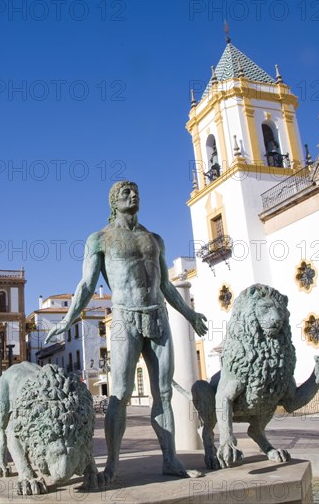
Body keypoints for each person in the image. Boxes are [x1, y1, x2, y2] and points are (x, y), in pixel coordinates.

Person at [46, 181, 208, 483]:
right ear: (113, 202)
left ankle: (170, 459)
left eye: (136, 192)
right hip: (123, 318)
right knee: (120, 393)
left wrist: (190, 314)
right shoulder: (100, 239)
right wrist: (67, 320)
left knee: (163, 393)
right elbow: (86, 286)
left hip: (157, 315)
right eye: (125, 193)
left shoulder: (154, 239)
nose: (133, 196)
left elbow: (166, 286)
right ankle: (112, 464)